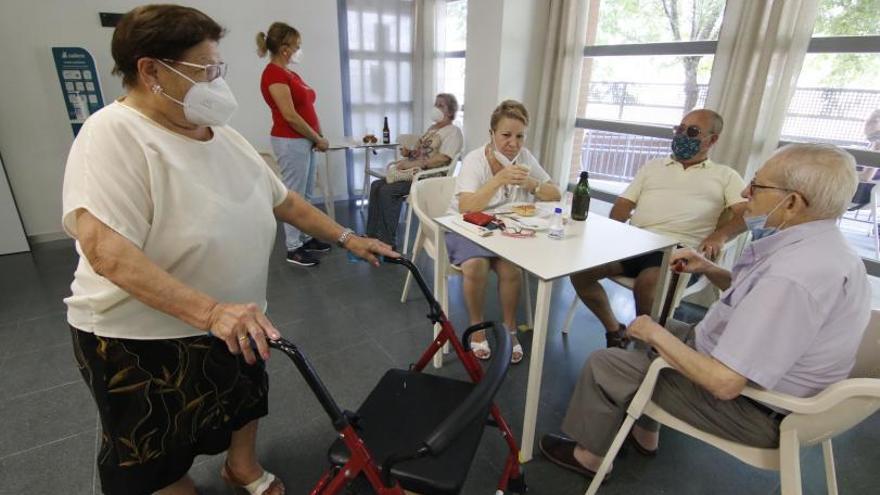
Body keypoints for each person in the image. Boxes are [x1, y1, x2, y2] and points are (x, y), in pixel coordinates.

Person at [62, 6, 394, 495]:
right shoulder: (114, 134)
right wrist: (212, 311)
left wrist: (348, 237)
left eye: (219, 69)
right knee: (158, 447)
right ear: (151, 70)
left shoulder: (226, 138)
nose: (216, 82)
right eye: (205, 69)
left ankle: (241, 466)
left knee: (244, 399)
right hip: (144, 337)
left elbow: (287, 202)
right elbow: (105, 251)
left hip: (237, 318)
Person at [540, 143, 870, 480]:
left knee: (605, 362)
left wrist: (653, 332)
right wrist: (710, 269)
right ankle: (645, 433)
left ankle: (589, 457)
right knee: (662, 330)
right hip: (777, 387)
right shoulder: (827, 249)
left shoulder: (793, 276)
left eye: (756, 185)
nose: (745, 192)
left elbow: (724, 382)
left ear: (793, 203)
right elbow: (759, 299)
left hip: (756, 410)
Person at [570, 109, 747, 349]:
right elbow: (624, 204)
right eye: (680, 129)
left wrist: (720, 235)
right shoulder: (653, 167)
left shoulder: (725, 176)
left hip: (678, 252)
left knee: (649, 282)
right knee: (580, 271)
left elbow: (746, 215)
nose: (683, 136)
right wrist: (610, 232)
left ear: (713, 139)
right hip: (635, 242)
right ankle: (615, 330)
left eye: (692, 131)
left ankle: (644, 345)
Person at [447, 100, 562, 364]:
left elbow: (555, 193)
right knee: (476, 264)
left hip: (503, 227)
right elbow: (466, 206)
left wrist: (531, 183)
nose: (513, 143)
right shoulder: (476, 160)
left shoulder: (524, 158)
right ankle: (477, 329)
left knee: (511, 268)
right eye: (506, 135)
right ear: (492, 134)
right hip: (467, 225)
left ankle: (510, 329)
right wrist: (498, 179)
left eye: (519, 136)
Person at [258, 22, 331, 267]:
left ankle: (306, 237)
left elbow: (307, 107)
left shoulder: (291, 74)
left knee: (307, 194)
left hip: (305, 141)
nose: (300, 51)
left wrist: (318, 136)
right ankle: (293, 248)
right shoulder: (273, 74)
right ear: (285, 49)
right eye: (297, 46)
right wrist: (316, 138)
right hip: (290, 141)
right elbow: (289, 115)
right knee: (294, 196)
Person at [365, 93, 463, 248]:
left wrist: (415, 164)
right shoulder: (431, 129)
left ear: (450, 112)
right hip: (414, 172)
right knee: (376, 185)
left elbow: (444, 158)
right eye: (435, 104)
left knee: (388, 191)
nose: (436, 108)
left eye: (441, 105)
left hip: (429, 177)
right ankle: (371, 235)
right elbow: (421, 152)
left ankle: (387, 242)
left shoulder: (453, 132)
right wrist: (409, 153)